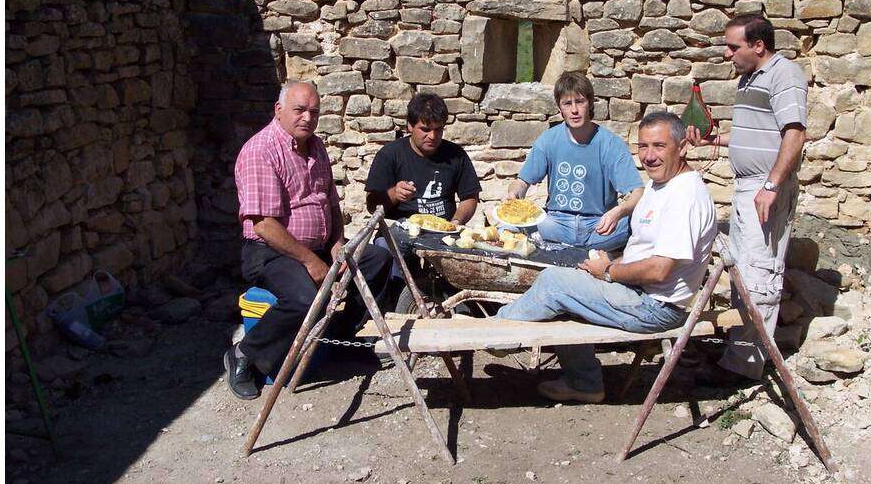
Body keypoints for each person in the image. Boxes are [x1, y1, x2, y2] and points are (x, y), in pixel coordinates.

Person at [497, 112, 717, 403]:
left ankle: (495, 334)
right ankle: (585, 383)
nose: (649, 156)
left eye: (659, 146)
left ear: (683, 147)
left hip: (655, 307)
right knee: (571, 275)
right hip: (640, 293)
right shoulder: (660, 183)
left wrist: (610, 270)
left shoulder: (685, 196)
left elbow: (660, 270)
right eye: (644, 147)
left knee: (554, 283)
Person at [224, 81, 393, 400]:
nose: (307, 118)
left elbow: (330, 204)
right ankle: (244, 354)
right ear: (279, 110)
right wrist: (310, 261)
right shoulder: (261, 150)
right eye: (299, 110)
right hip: (269, 252)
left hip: (316, 248)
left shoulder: (316, 147)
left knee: (376, 261)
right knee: (304, 299)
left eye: (313, 112)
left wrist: (337, 245)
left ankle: (340, 336)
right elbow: (264, 225)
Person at [685, 14, 808, 386]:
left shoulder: (784, 74)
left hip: (764, 187)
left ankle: (745, 368)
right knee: (742, 269)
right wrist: (713, 142)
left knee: (760, 275)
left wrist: (771, 187)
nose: (727, 54)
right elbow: (755, 137)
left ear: (759, 45)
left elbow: (795, 133)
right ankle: (738, 355)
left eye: (733, 46)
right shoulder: (749, 79)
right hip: (747, 186)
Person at [506, 72, 644, 249]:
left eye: (580, 102)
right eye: (567, 103)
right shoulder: (548, 139)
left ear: (590, 103)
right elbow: (522, 182)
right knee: (507, 226)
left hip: (600, 226)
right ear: (560, 108)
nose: (574, 110)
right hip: (555, 223)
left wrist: (619, 212)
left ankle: (563, 249)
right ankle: (574, 249)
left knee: (642, 223)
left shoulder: (611, 144)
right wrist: (514, 194)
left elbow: (637, 192)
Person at [365, 92, 481, 226]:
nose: (432, 136)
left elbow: (470, 196)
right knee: (382, 246)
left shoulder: (456, 154)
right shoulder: (389, 155)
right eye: (425, 129)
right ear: (410, 126)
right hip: (398, 231)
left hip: (443, 231)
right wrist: (395, 194)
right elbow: (371, 206)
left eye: (438, 129)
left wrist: (455, 222)